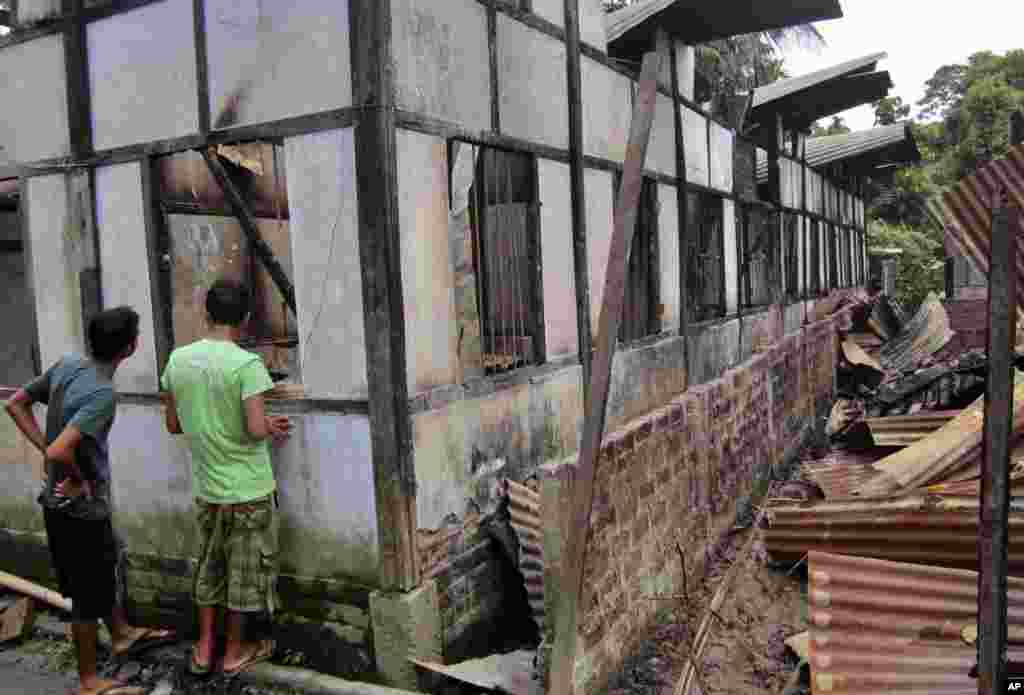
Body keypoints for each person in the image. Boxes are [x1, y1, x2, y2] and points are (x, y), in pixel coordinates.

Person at [4, 306, 176, 695]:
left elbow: (16, 403)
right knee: (86, 594)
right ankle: (89, 681)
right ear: (130, 348)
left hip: (62, 503)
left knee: (103, 566)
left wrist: (50, 448)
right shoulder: (102, 394)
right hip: (77, 509)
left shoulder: (68, 365)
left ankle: (121, 633)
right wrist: (81, 480)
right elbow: (60, 452)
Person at [160, 278, 291, 676]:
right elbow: (252, 429)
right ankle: (234, 652)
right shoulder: (246, 365)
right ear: (246, 319)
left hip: (208, 489)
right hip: (248, 490)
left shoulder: (178, 361)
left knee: (210, 567)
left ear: (206, 313)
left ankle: (203, 651)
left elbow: (173, 424)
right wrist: (270, 426)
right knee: (243, 575)